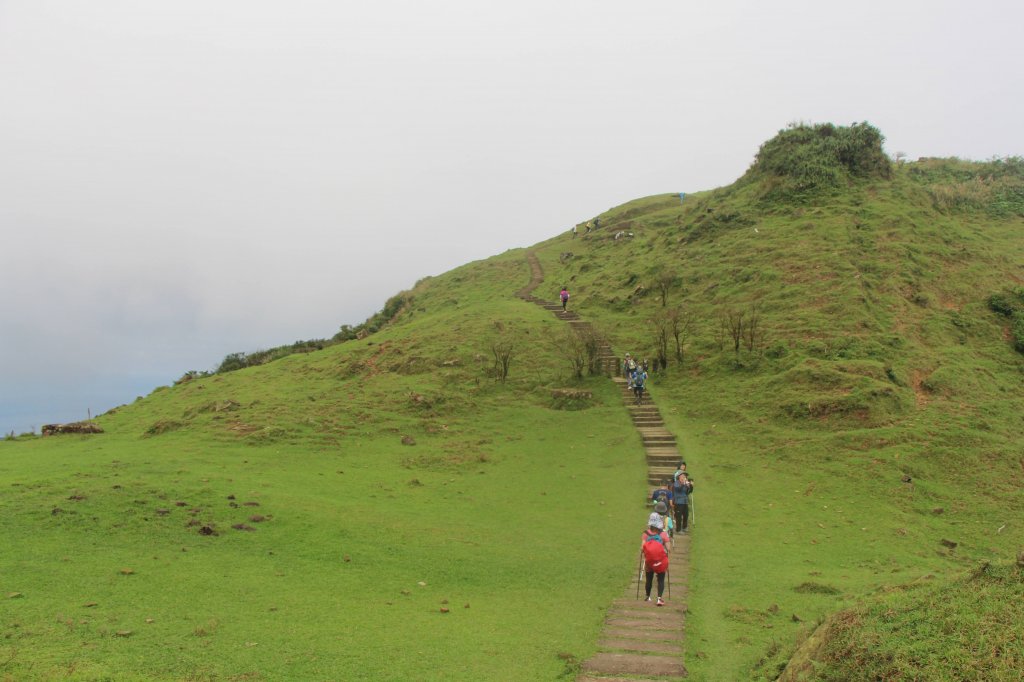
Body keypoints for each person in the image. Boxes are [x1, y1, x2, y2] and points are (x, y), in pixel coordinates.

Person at [642, 513, 670, 606]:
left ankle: (648, 597)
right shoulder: (663, 534)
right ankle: (659, 599)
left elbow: (642, 548)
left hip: (649, 561)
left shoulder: (645, 534)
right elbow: (668, 549)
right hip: (660, 561)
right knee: (661, 579)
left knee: (649, 579)